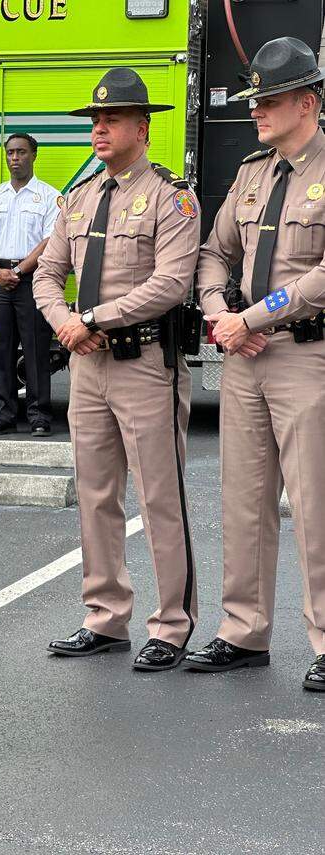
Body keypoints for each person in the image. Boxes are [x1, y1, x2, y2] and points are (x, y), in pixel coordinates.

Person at [32, 68, 201, 671]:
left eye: (112, 119)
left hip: (145, 364)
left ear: (143, 127)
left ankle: (173, 624)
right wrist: (63, 322)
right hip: (89, 364)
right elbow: (49, 272)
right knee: (96, 494)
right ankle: (104, 616)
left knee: (161, 497)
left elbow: (172, 283)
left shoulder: (170, 197)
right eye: (95, 120)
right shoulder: (77, 198)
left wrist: (94, 317)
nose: (99, 128)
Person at [188, 37, 325, 692]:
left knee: (316, 504)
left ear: (307, 100)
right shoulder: (252, 173)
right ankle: (244, 631)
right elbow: (214, 252)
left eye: (268, 100)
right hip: (243, 355)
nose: (256, 111)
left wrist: (254, 316)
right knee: (243, 502)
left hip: (305, 355)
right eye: (253, 100)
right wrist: (220, 311)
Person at [0, 133, 60, 437]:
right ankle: (3, 416)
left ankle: (39, 416)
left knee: (36, 349)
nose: (15, 158)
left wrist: (20, 271)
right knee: (0, 349)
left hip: (32, 279)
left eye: (21, 152)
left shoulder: (49, 196)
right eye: (10, 153)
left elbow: (50, 241)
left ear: (34, 155)